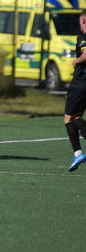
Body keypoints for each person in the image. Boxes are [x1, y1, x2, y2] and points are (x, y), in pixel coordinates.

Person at [64, 10, 86, 171]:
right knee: (78, 116)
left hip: (80, 83)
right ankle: (78, 153)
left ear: (84, 21)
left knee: (68, 119)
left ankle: (78, 153)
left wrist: (76, 60)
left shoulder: (83, 36)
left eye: (80, 21)